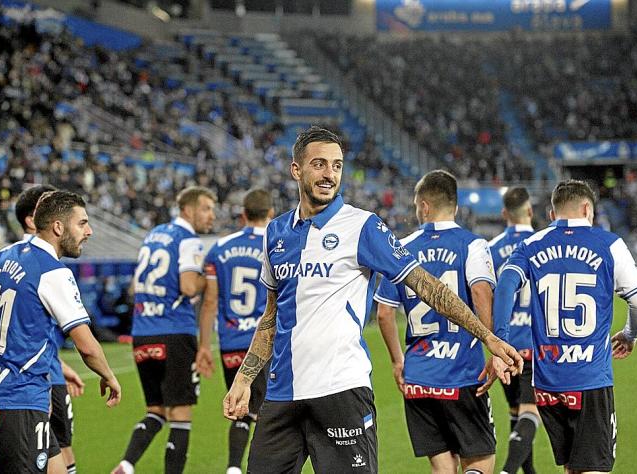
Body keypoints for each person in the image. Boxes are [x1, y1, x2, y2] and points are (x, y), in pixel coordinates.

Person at [223, 126, 522, 473]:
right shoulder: (275, 233)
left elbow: (428, 286)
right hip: (282, 394)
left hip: (341, 390)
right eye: (319, 164)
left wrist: (487, 336)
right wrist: (244, 379)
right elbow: (272, 316)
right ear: (296, 170)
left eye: (336, 166)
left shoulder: (362, 226)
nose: (329, 174)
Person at [491, 180, 637, 474]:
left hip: (548, 383)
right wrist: (629, 335)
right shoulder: (608, 243)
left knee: (572, 468)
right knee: (593, 469)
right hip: (590, 379)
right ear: (588, 208)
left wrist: (500, 343)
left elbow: (504, 288)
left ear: (551, 214)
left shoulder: (531, 245)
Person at [0, 190, 121, 473]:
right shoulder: (53, 273)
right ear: (58, 227)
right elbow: (87, 346)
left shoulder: (4, 255)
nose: (90, 231)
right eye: (82, 223)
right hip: (21, 398)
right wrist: (109, 376)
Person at [374, 170, 498, 474]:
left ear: (425, 206)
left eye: (417, 205)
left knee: (443, 468)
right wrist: (492, 347)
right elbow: (481, 292)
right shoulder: (472, 245)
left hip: (418, 376)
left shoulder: (400, 249)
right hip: (462, 374)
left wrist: (396, 361)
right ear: (454, 206)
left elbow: (384, 313)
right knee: (481, 461)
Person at [113, 186, 216, 474]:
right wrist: (209, 280)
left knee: (156, 410)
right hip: (175, 332)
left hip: (143, 332)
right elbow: (187, 286)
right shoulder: (189, 240)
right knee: (181, 415)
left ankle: (126, 463)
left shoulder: (153, 236)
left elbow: (134, 287)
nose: (212, 215)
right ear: (188, 209)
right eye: (206, 208)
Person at [196, 187, 274, 474]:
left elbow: (210, 301)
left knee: (240, 409)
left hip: (230, 344)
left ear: (242, 215)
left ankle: (232, 468)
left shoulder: (219, 248)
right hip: (264, 342)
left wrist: (204, 345)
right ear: (270, 215)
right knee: (270, 413)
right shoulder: (275, 243)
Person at [488, 187, 539, 474]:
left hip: (505, 344)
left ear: (504, 214)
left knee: (516, 413)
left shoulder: (492, 249)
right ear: (530, 211)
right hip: (535, 342)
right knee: (530, 414)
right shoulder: (543, 243)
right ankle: (508, 470)